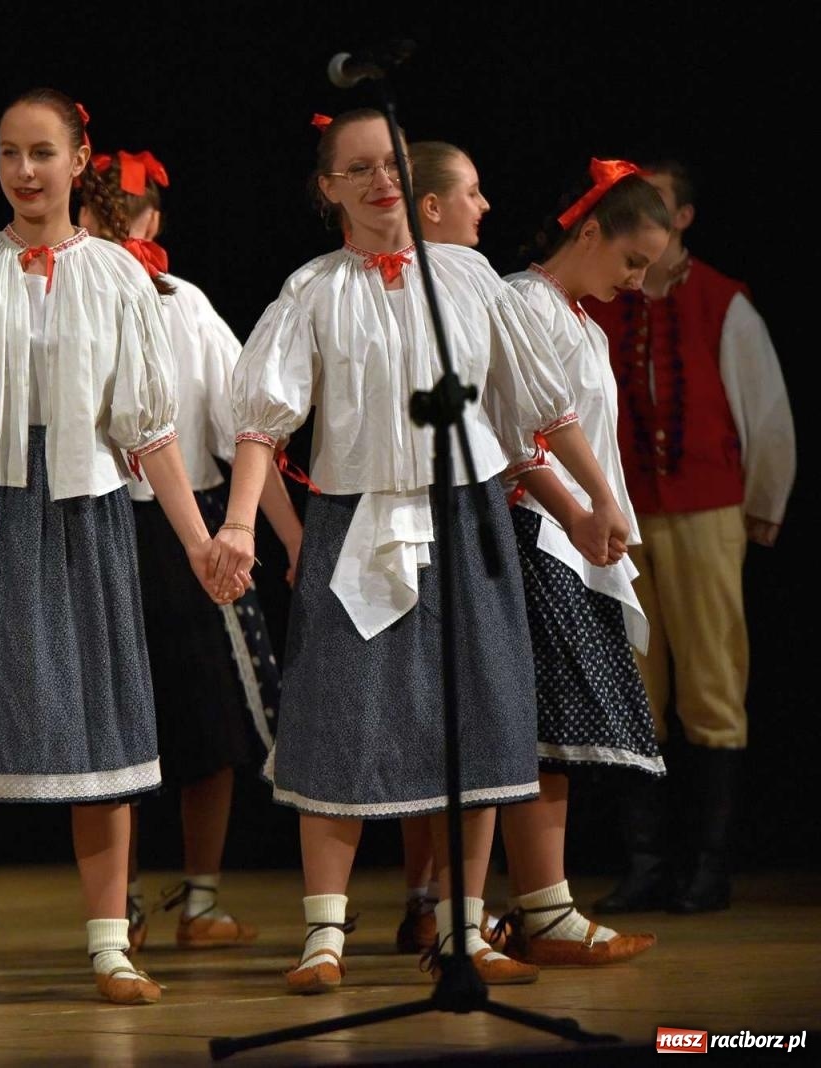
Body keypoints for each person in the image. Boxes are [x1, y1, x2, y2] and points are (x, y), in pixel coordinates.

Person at [0, 88, 248, 1009]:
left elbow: (150, 431)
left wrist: (197, 542)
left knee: (95, 723)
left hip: (82, 514)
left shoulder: (115, 276)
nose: (23, 172)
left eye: (40, 153)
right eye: (7, 154)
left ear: (77, 161)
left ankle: (110, 943)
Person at [221, 109, 629, 993]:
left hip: (470, 523)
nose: (381, 183)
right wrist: (240, 524)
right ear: (327, 187)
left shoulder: (470, 278)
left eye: (394, 166)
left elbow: (533, 417)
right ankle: (324, 935)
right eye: (359, 169)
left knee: (479, 716)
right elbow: (261, 420)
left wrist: (593, 499)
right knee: (337, 719)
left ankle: (461, 928)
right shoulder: (313, 290)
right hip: (355, 523)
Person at [79, 146, 301, 950]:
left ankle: (198, 900)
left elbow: (247, 427)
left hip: (190, 529)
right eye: (103, 207)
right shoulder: (59, 297)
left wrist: (287, 533)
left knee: (211, 723)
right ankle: (125, 904)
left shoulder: (185, 306)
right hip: (98, 523)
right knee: (116, 728)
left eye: (126, 208)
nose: (117, 223)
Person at [585, 160, 796, 915]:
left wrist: (764, 501)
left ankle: (707, 866)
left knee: (711, 683)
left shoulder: (720, 303)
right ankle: (645, 863)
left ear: (681, 219)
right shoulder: (605, 304)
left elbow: (764, 412)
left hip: (706, 510)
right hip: (625, 514)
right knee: (639, 687)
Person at [490, 159, 670, 966]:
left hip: (571, 541)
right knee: (538, 735)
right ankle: (540, 911)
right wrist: (579, 512)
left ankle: (538, 908)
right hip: (534, 535)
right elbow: (519, 438)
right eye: (631, 261)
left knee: (552, 733)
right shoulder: (525, 303)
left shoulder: (584, 324)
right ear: (588, 231)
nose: (635, 282)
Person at [388, 140, 501, 955]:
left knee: (463, 711)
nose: (484, 206)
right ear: (430, 207)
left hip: (475, 500)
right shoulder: (388, 283)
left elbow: (525, 406)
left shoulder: (472, 278)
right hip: (416, 505)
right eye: (471, 191)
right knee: (426, 714)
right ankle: (431, 901)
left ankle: (449, 908)